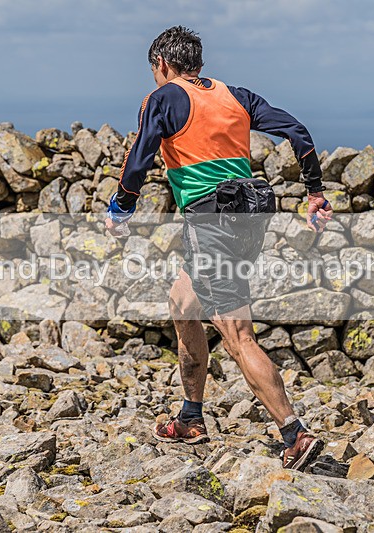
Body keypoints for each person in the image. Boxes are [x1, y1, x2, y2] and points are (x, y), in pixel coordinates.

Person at [104, 26, 333, 471]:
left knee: (237, 335)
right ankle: (191, 418)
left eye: (154, 70)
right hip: (249, 215)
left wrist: (121, 208)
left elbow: (140, 157)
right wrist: (314, 192)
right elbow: (297, 131)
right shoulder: (236, 96)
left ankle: (295, 433)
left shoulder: (164, 98)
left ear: (162, 64)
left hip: (211, 221)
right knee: (183, 302)